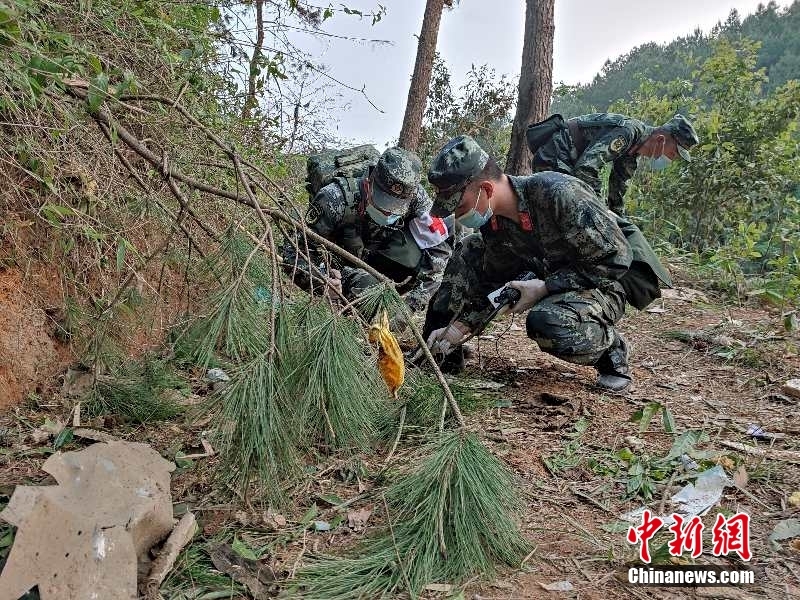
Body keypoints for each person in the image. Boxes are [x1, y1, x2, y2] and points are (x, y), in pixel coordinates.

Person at [423, 135, 641, 391]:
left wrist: (546, 287)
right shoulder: (494, 224)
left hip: (601, 285)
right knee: (470, 249)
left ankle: (612, 351)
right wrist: (460, 327)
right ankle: (440, 352)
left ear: (487, 190)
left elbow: (616, 260)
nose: (457, 215)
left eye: (459, 206)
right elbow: (493, 281)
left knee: (546, 322)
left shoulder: (559, 193)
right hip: (544, 280)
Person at [283, 147, 452, 323]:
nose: (388, 213)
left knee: (445, 272)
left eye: (396, 208)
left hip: (382, 257)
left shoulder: (417, 198)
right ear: (368, 183)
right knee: (366, 285)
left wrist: (409, 308)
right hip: (341, 266)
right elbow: (293, 253)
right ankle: (353, 321)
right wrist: (322, 280)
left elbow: (440, 252)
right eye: (382, 203)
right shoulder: (334, 198)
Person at [526, 113, 699, 215]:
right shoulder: (628, 133)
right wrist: (600, 210)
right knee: (564, 211)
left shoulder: (632, 154)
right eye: (672, 153)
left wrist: (619, 223)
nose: (670, 159)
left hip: (568, 162)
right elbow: (586, 169)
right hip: (555, 156)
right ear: (661, 139)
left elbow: (617, 193)